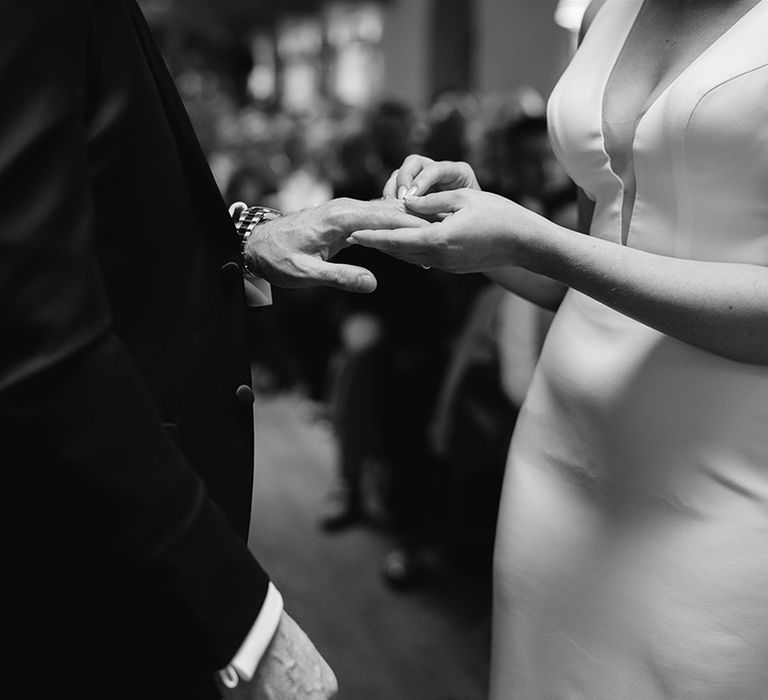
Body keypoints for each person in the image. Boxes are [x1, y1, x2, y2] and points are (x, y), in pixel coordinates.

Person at [0, 2, 425, 699]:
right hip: (81, 551)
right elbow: (29, 322)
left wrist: (247, 233)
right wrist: (241, 618)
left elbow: (85, 213)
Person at [350, 0, 768, 696]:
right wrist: (472, 231)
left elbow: (569, 255)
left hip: (724, 478)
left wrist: (534, 239)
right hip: (558, 454)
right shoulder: (603, 9)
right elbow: (595, 266)